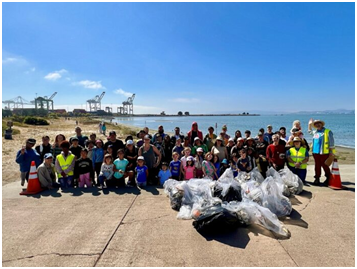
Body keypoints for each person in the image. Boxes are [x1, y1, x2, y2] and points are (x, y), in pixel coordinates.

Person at [308, 118, 335, 186]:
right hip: (315, 152)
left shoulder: (327, 131)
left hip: (324, 152)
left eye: (319, 123)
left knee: (325, 165)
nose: (317, 125)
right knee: (317, 166)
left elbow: (331, 142)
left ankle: (328, 177)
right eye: (316, 124)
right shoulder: (315, 132)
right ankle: (317, 178)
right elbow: (309, 131)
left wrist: (331, 152)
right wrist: (309, 124)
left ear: (322, 124)